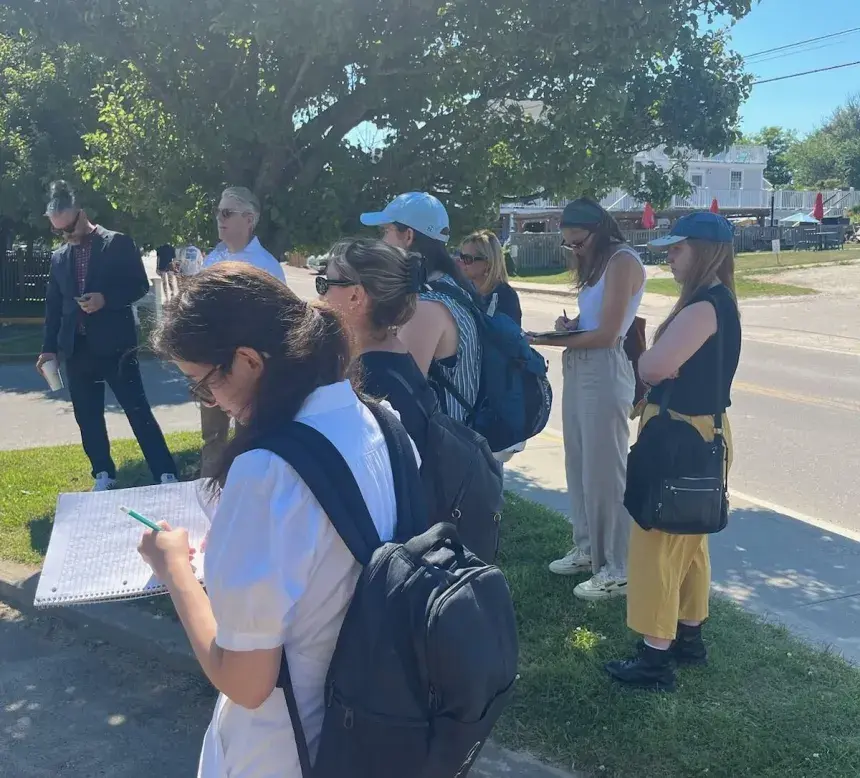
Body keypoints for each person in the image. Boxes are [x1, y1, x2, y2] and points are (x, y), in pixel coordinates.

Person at [138, 262, 400, 777]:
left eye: (203, 383)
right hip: (376, 725)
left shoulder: (268, 473)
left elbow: (246, 682)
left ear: (248, 361)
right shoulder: (379, 421)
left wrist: (176, 572)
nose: (210, 400)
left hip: (287, 748)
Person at [606, 212, 741, 692]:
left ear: (703, 250)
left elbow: (654, 365)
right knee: (689, 545)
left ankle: (654, 658)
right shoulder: (721, 302)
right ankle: (688, 638)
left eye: (678, 248)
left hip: (680, 436)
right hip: (704, 435)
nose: (670, 255)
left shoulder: (704, 305)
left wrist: (648, 360)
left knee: (655, 545)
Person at [528, 197, 645, 600]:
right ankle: (587, 548)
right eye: (569, 244)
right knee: (578, 462)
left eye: (578, 242)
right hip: (581, 364)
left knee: (605, 471)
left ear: (599, 230)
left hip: (603, 367)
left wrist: (546, 337)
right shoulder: (597, 264)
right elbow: (594, 324)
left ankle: (617, 567)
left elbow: (610, 334)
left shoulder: (623, 261)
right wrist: (572, 326)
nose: (575, 250)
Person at [37, 180, 177, 491]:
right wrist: (49, 349)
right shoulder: (60, 257)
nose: (65, 235)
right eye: (58, 230)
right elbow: (53, 306)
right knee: (87, 417)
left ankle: (165, 472)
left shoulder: (118, 244)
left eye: (69, 227)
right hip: (77, 348)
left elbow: (139, 286)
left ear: (81, 213)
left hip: (116, 345)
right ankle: (103, 473)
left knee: (137, 410)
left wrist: (106, 300)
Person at [361, 192, 481, 425]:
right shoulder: (452, 285)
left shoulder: (427, 308)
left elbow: (398, 390)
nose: (381, 242)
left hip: (444, 452)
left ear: (408, 236)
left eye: (385, 232)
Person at [198, 186, 286, 477]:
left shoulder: (266, 266)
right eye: (217, 211)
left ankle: (244, 496)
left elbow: (278, 324)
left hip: (248, 369)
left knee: (249, 439)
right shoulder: (212, 259)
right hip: (211, 364)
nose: (219, 218)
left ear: (249, 219)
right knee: (213, 439)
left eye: (227, 212)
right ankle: (209, 497)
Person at [316, 238, 430, 451]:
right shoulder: (394, 354)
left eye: (325, 284)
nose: (320, 295)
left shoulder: (368, 379)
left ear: (355, 296)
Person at [457, 229, 522, 326]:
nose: (461, 263)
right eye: (461, 257)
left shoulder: (506, 298)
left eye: (467, 259)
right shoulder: (464, 291)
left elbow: (508, 339)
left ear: (487, 263)